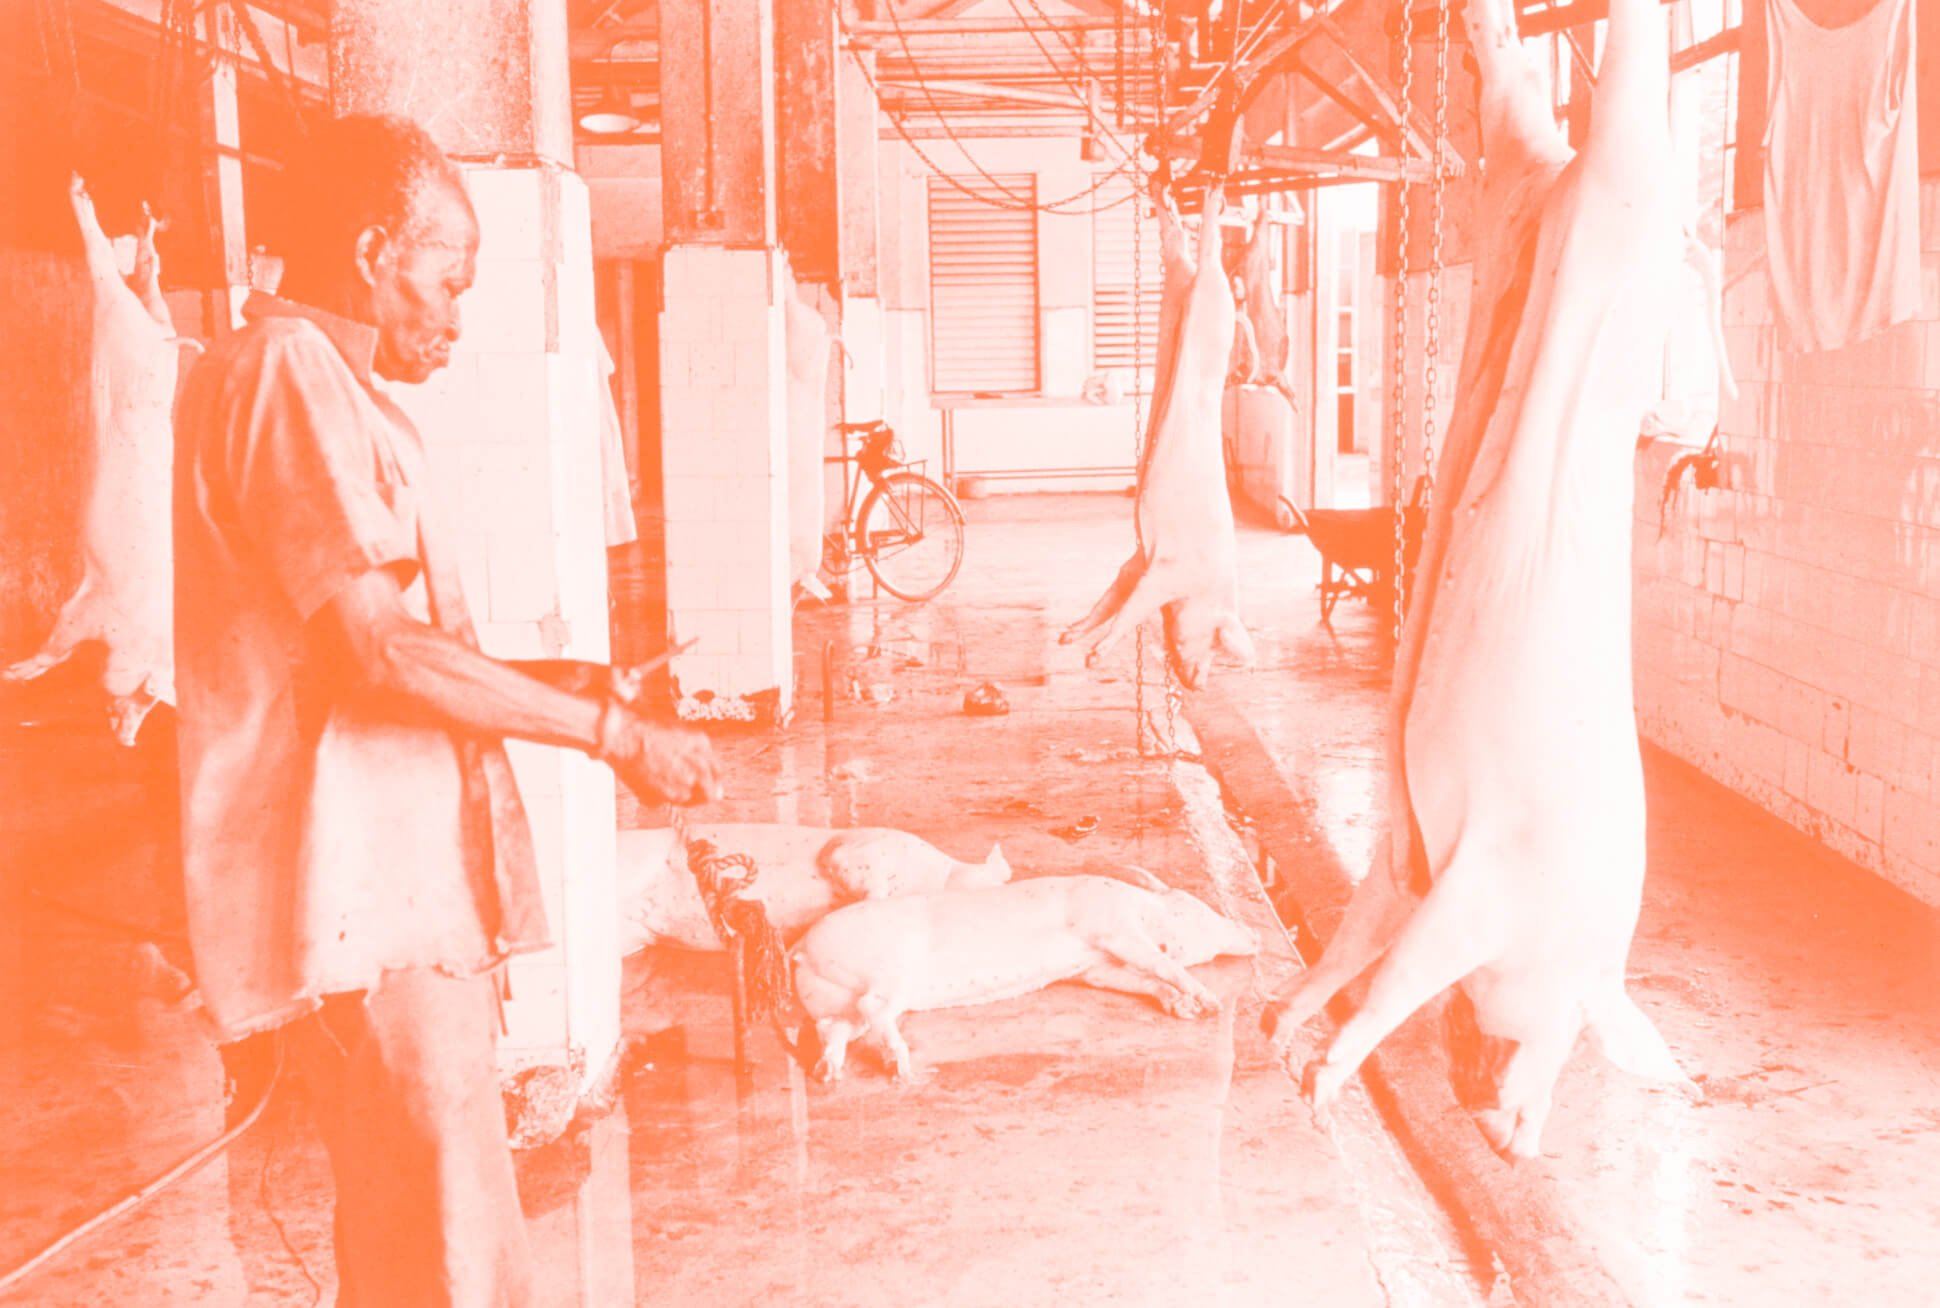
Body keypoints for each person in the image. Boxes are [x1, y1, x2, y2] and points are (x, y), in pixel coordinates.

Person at [172, 112, 720, 1306]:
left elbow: (372, 645)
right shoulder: (285, 372)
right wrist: (609, 736)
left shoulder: (330, 391)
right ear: (376, 247)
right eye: (448, 279)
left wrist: (571, 685)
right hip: (358, 884)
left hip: (388, 883)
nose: (457, 317)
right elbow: (377, 653)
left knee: (410, 1219)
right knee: (449, 1225)